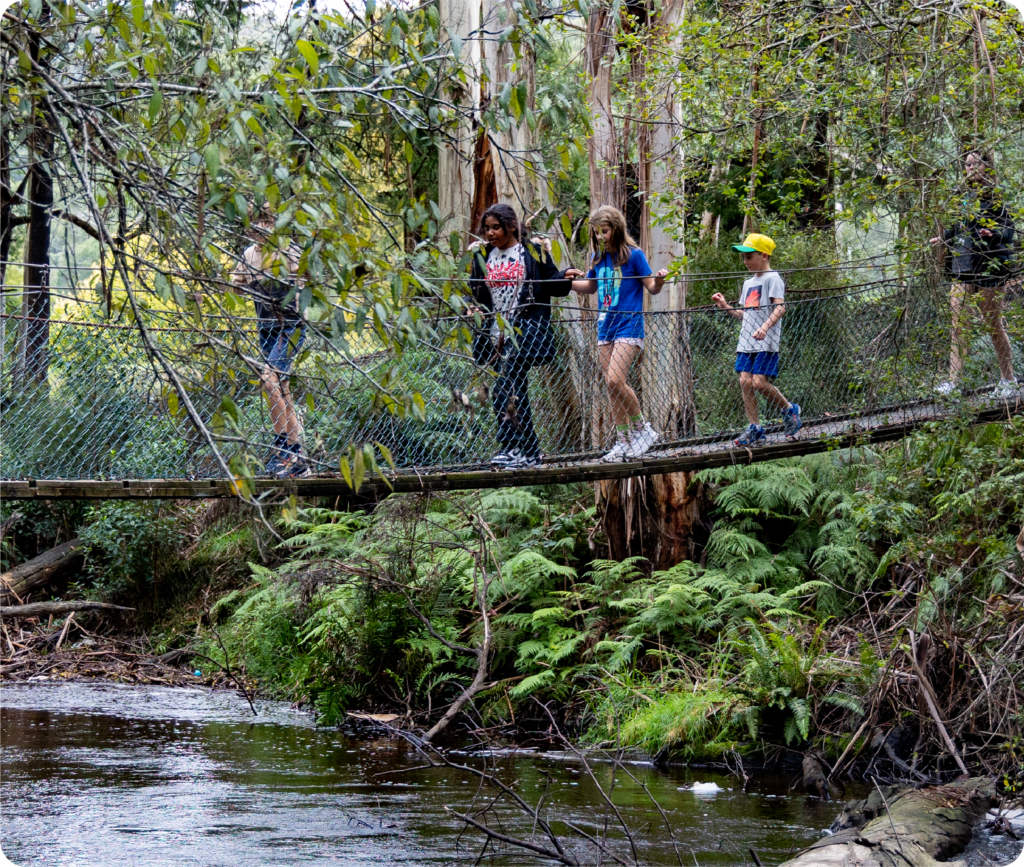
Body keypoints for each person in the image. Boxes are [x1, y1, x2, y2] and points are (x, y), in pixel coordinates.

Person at [469, 203, 573, 469]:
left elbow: (550, 280)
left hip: (524, 329)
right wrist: (471, 308)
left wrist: (566, 276)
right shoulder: (482, 255)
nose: (490, 233)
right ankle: (527, 452)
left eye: (495, 227)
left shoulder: (531, 251)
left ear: (511, 226)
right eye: (487, 228)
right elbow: (476, 291)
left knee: (507, 384)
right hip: (495, 333)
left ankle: (513, 447)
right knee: (506, 390)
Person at [566, 206, 668, 463]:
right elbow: (590, 287)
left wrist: (660, 280)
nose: (601, 237)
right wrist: (562, 281)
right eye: (597, 233)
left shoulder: (634, 256)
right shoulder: (597, 257)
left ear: (617, 229)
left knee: (614, 381)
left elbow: (652, 289)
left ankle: (643, 430)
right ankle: (623, 441)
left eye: (605, 231)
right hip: (605, 326)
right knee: (612, 389)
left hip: (629, 324)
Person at [930, 150, 1019, 399]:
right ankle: (953, 384)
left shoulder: (997, 196)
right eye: (966, 165)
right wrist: (944, 237)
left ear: (986, 166)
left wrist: (995, 235)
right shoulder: (967, 197)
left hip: (990, 265)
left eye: (974, 164)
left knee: (992, 322)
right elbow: (961, 224)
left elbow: (1009, 231)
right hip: (964, 264)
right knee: (958, 324)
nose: (968, 168)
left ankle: (1008, 379)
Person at [232, 202, 310, 478]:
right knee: (281, 389)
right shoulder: (249, 255)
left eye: (267, 221)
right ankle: (298, 458)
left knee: (269, 380)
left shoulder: (289, 250)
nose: (261, 227)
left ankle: (283, 452)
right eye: (256, 222)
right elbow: (235, 285)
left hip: (291, 327)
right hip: (265, 329)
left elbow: (305, 283)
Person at [711, 232, 802, 446]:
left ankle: (790, 409)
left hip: (765, 341)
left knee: (759, 383)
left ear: (764, 255)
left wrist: (764, 327)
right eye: (744, 257)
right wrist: (726, 307)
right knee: (744, 381)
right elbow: (745, 314)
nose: (746, 262)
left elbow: (780, 307)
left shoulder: (773, 278)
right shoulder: (747, 283)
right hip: (746, 342)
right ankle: (755, 428)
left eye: (749, 257)